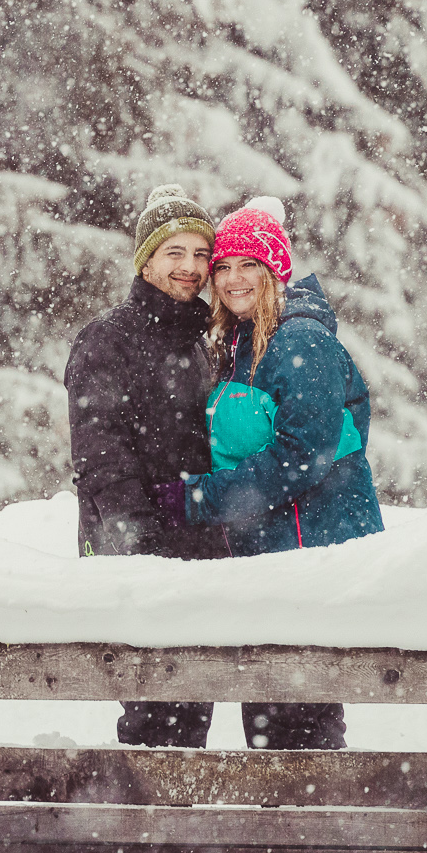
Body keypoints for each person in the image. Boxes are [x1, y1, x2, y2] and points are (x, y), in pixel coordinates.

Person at [150, 196, 385, 750]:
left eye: (248, 265)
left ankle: (314, 832)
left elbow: (303, 458)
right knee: (272, 725)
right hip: (270, 561)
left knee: (299, 726)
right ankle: (285, 832)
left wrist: (198, 499)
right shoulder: (244, 343)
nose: (232, 279)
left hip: (310, 561)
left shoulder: (299, 341)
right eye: (223, 267)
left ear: (275, 269)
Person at [65, 183, 230, 748]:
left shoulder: (207, 340)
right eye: (175, 253)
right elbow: (100, 454)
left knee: (191, 714)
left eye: (201, 254)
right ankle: (144, 833)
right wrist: (139, 541)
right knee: (152, 714)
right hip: (137, 556)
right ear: (147, 260)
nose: (191, 268)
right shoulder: (107, 339)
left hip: (199, 551)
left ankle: (180, 832)